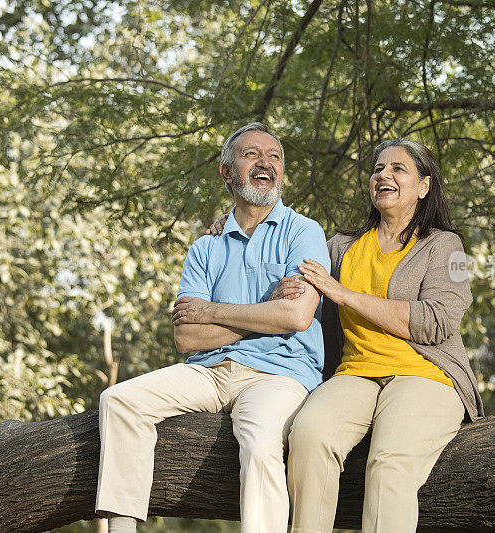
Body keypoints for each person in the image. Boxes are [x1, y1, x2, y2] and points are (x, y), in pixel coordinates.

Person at [209, 137, 484, 532]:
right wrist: (235, 222)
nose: (383, 175)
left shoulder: (447, 247)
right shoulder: (340, 247)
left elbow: (436, 322)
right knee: (307, 436)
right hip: (355, 374)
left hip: (425, 375)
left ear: (424, 186)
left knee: (389, 462)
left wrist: (344, 294)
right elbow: (278, 252)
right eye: (377, 169)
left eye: (397, 169)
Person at [95, 122, 330, 533]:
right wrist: (264, 311)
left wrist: (213, 311)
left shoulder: (304, 232)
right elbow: (187, 336)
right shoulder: (206, 246)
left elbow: (295, 317)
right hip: (208, 371)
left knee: (259, 445)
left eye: (274, 156)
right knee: (119, 400)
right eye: (251, 155)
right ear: (227, 172)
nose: (265, 163)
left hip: (278, 375)